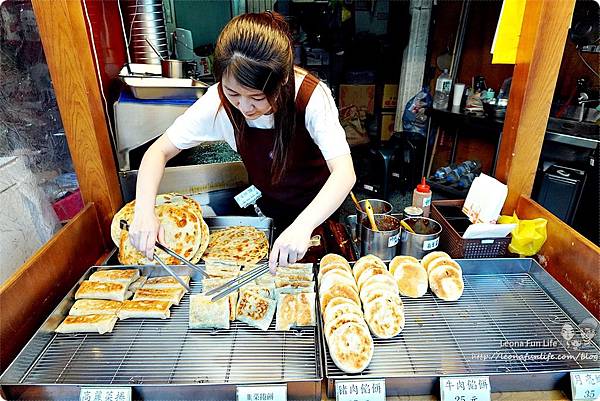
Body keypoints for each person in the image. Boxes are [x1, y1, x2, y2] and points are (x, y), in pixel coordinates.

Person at [129, 12, 355, 272]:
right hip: (268, 211)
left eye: (257, 97)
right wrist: (144, 212)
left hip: (319, 210)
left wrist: (303, 226)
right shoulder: (217, 103)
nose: (244, 107)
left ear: (281, 82)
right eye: (234, 92)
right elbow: (158, 151)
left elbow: (344, 173)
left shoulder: (311, 97)